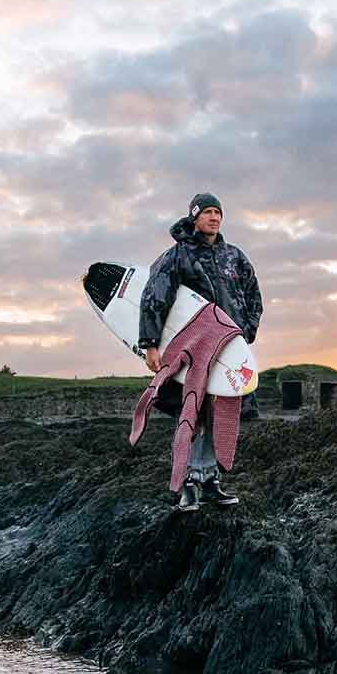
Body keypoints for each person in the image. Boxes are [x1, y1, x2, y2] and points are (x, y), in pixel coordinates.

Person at [139, 192, 263, 511]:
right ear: (194, 217)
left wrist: (244, 332)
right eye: (207, 212)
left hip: (227, 350)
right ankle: (188, 484)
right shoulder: (178, 256)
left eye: (217, 212)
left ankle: (209, 480)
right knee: (191, 411)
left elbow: (253, 297)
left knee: (218, 412)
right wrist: (150, 343)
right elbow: (155, 295)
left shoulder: (234, 257)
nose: (214, 217)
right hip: (192, 349)